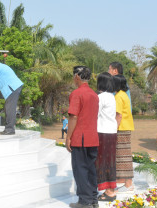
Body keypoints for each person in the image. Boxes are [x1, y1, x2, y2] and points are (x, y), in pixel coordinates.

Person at [66, 66, 99, 208]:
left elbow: (73, 116)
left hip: (80, 137)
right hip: (93, 137)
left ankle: (84, 201)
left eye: (74, 76)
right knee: (91, 169)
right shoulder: (94, 94)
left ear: (77, 76)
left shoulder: (77, 94)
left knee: (80, 169)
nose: (73, 79)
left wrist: (68, 137)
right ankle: (93, 199)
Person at [95, 72, 120, 202]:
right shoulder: (111, 96)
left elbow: (95, 114)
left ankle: (109, 191)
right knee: (109, 161)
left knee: (102, 161)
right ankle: (110, 189)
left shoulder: (101, 97)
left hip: (103, 132)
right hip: (111, 131)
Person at [113, 74, 134, 193]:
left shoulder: (118, 96)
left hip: (121, 128)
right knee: (123, 156)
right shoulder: (123, 95)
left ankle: (128, 184)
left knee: (123, 156)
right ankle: (126, 182)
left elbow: (118, 115)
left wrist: (114, 130)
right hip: (125, 128)